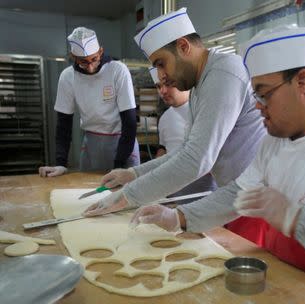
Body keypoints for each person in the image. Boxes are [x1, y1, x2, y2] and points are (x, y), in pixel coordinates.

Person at [125, 26, 305, 304]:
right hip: (293, 280)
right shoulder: (275, 141)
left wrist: (294, 218)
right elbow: (239, 191)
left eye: (264, 93)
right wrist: (179, 218)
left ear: (303, 82)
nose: (257, 106)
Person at [83, 8, 265, 215]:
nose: (162, 76)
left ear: (183, 46)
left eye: (161, 64)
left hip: (256, 205)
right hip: (235, 199)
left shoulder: (224, 73)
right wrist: (132, 174)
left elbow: (197, 160)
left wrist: (128, 196)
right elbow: (186, 149)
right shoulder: (199, 86)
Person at [39, 27, 140, 177]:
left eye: (94, 59)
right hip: (92, 144)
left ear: (100, 51)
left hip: (122, 142)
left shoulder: (118, 70)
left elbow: (130, 122)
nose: (91, 67)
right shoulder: (68, 77)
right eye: (84, 62)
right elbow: (63, 125)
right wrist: (61, 163)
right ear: (73, 57)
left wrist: (119, 164)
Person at [150, 67, 217, 203]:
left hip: (203, 190)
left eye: (168, 84)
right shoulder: (165, 118)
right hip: (173, 190)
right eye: (159, 86)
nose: (162, 91)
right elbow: (164, 149)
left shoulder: (205, 112)